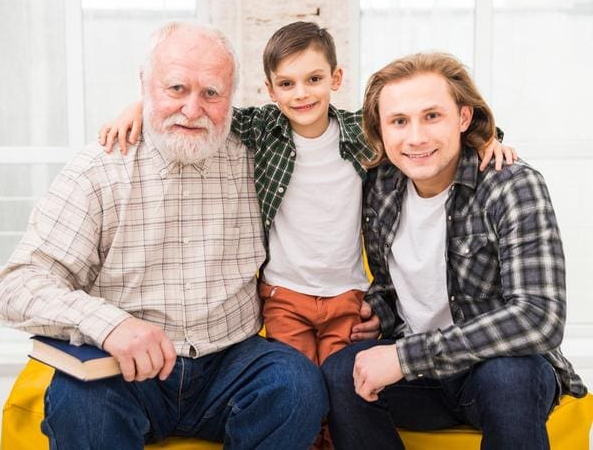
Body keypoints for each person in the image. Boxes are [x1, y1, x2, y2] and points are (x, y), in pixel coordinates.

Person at [99, 22, 514, 370]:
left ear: (335, 78)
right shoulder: (263, 130)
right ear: (270, 90)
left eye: (314, 79)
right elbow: (201, 109)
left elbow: (415, 131)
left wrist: (487, 139)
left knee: (339, 388)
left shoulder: (360, 133)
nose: (301, 94)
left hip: (347, 293)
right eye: (287, 83)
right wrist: (139, 107)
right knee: (296, 385)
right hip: (285, 295)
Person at [0, 21, 329, 450]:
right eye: (175, 88)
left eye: (211, 93)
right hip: (124, 366)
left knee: (297, 385)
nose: (192, 110)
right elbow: (17, 286)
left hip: (232, 360)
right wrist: (110, 325)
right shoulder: (98, 170)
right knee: (79, 401)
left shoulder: (261, 157)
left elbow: (339, 135)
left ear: (233, 96)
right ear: (143, 84)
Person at [320, 52, 588, 450]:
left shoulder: (511, 185)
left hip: (495, 372)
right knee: (342, 372)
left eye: (432, 116)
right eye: (399, 121)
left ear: (463, 118)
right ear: (380, 128)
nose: (416, 137)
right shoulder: (380, 186)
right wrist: (380, 309)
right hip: (422, 381)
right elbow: (396, 282)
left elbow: (539, 318)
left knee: (509, 377)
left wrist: (406, 357)